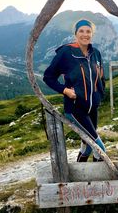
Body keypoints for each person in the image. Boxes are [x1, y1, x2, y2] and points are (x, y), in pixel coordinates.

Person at [43, 19, 106, 162]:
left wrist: (99, 95)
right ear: (75, 34)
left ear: (92, 34)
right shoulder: (66, 53)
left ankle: (80, 170)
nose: (85, 34)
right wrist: (65, 90)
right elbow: (48, 77)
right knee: (100, 148)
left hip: (92, 109)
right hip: (75, 108)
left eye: (88, 31)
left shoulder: (96, 53)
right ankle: (98, 178)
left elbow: (101, 77)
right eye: (81, 31)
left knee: (88, 145)